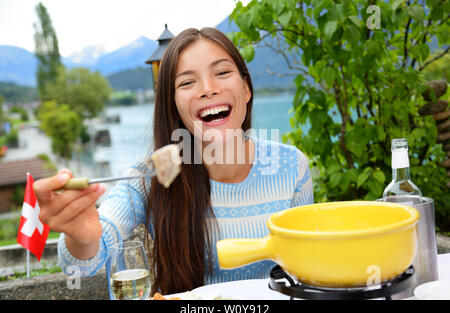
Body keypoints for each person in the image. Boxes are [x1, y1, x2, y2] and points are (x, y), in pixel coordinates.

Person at [34, 27, 314, 296]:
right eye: (187, 82)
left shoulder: (291, 167)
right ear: (175, 106)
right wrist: (82, 236)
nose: (208, 88)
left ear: (246, 89)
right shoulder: (149, 176)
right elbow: (82, 262)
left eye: (222, 72)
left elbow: (307, 267)